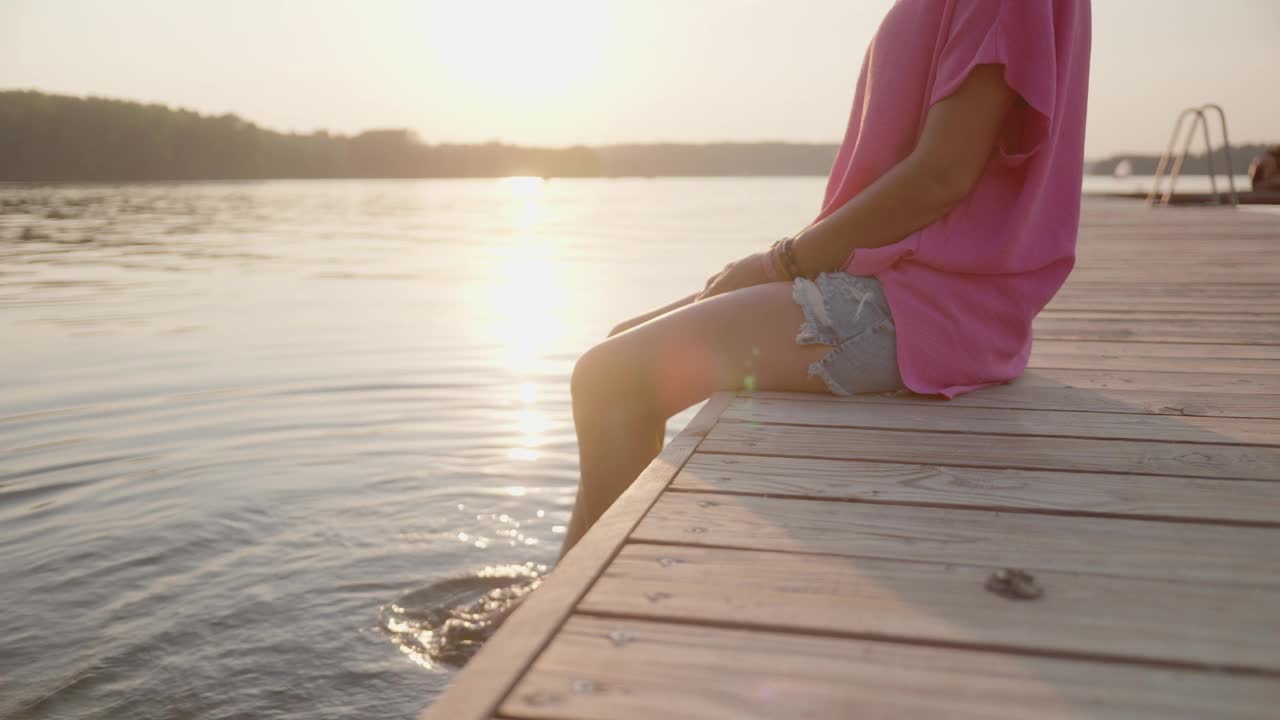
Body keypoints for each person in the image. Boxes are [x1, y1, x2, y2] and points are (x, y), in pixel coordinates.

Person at [563, 0, 1093, 554]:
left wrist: (779, 263)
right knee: (617, 350)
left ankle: (573, 618)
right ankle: (550, 600)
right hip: (901, 280)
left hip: (930, 305)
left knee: (612, 380)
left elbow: (944, 174)